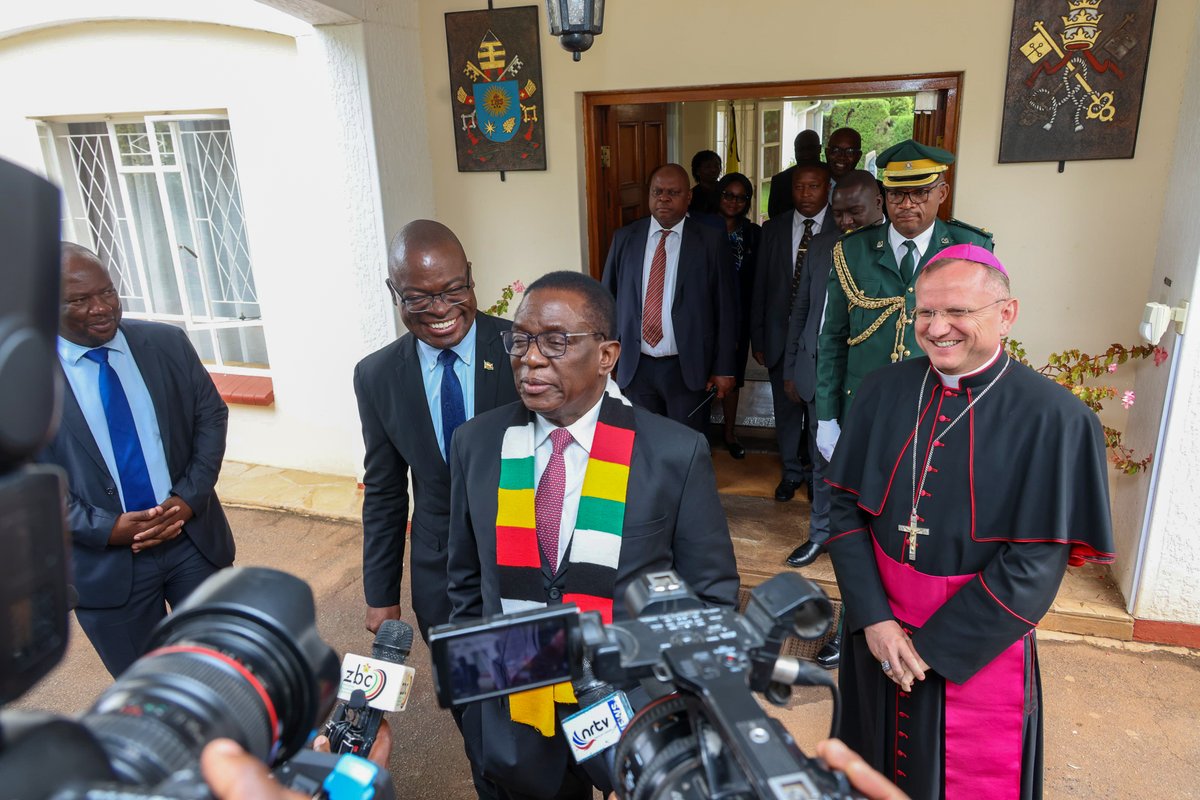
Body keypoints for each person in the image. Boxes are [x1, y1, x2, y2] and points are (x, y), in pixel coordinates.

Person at [824, 247, 1114, 800]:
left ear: (1006, 314)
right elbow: (843, 511)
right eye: (925, 313)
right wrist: (875, 621)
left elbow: (1033, 565)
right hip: (877, 635)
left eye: (957, 312)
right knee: (866, 768)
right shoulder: (882, 390)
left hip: (973, 647)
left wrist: (930, 650)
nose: (937, 329)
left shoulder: (1057, 419)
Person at [446, 271, 739, 800]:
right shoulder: (476, 444)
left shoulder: (674, 453)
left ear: (606, 356)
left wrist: (666, 702)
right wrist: (476, 712)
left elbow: (711, 596)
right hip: (513, 715)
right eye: (520, 340)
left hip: (629, 714)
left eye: (556, 342)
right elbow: (465, 584)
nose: (530, 358)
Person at [354, 220, 515, 800]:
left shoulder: (521, 347)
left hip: (532, 568)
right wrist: (380, 594)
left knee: (541, 704)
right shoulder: (377, 376)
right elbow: (386, 489)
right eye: (420, 297)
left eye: (454, 290)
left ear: (472, 280)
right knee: (474, 713)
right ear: (394, 292)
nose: (442, 309)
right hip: (443, 578)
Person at [40, 243, 235, 677]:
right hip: (106, 568)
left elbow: (210, 417)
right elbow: (26, 481)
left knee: (227, 670)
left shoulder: (165, 343)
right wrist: (105, 528)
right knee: (151, 692)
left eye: (107, 292)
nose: (101, 308)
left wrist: (189, 498)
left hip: (193, 542)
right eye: (79, 300)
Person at [814, 140, 994, 465]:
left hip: (938, 409)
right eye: (897, 194)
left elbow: (981, 341)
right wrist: (826, 418)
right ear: (883, 197)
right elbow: (832, 340)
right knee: (850, 507)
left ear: (942, 192)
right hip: (863, 409)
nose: (907, 204)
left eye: (921, 192)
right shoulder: (853, 250)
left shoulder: (969, 249)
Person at [781, 171, 887, 670]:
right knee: (821, 462)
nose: (845, 223)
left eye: (854, 214)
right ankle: (820, 531)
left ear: (879, 205)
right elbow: (802, 308)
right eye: (839, 214)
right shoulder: (822, 245)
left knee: (869, 490)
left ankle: (863, 605)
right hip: (818, 373)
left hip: (870, 387)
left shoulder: (890, 251)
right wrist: (791, 364)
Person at [601, 163, 737, 432]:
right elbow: (606, 301)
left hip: (686, 367)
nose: (663, 198)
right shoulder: (625, 238)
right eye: (657, 191)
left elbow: (726, 308)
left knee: (685, 447)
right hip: (635, 365)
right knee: (641, 443)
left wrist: (724, 368)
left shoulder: (710, 242)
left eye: (673, 192)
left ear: (689, 197)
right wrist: (606, 355)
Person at [751, 162, 830, 502]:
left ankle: (815, 474)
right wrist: (758, 336)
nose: (805, 194)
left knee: (817, 413)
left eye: (813, 186)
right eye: (799, 186)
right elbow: (760, 287)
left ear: (828, 189)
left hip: (819, 341)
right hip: (778, 336)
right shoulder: (774, 229)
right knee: (785, 411)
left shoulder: (840, 230)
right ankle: (791, 472)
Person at [715, 172, 762, 458]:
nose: (733, 202)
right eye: (728, 195)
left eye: (740, 197)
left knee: (732, 375)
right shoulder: (701, 226)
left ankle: (729, 433)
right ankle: (698, 433)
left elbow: (758, 280)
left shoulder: (754, 233)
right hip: (703, 314)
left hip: (739, 314)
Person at [767, 129, 822, 219]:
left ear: (819, 149)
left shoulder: (831, 175)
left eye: (810, 148)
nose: (805, 154)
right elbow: (774, 217)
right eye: (801, 149)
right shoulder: (780, 181)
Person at [688, 149, 723, 216]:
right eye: (708, 167)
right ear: (697, 171)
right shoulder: (692, 196)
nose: (713, 170)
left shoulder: (724, 191)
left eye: (716, 166)